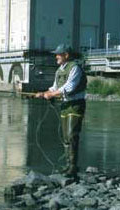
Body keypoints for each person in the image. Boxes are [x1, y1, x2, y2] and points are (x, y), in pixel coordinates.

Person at [35, 43, 87, 178]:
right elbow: (54, 87)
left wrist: (51, 95)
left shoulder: (75, 68)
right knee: (65, 137)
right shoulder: (59, 71)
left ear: (66, 55)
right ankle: (67, 165)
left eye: (58, 54)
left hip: (76, 104)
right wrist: (44, 93)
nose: (56, 57)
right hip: (64, 105)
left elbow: (69, 87)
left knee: (72, 135)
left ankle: (73, 167)